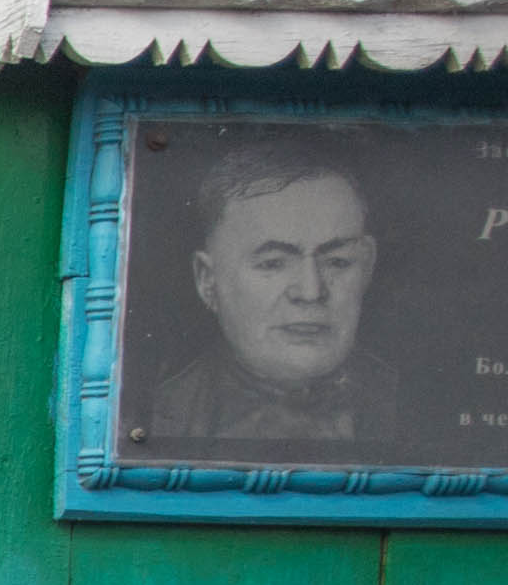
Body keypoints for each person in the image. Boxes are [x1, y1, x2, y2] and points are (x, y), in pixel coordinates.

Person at [143, 137, 399, 446]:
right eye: (273, 263)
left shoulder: (417, 405)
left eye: (337, 262)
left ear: (367, 267)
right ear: (207, 279)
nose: (311, 291)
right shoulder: (158, 416)